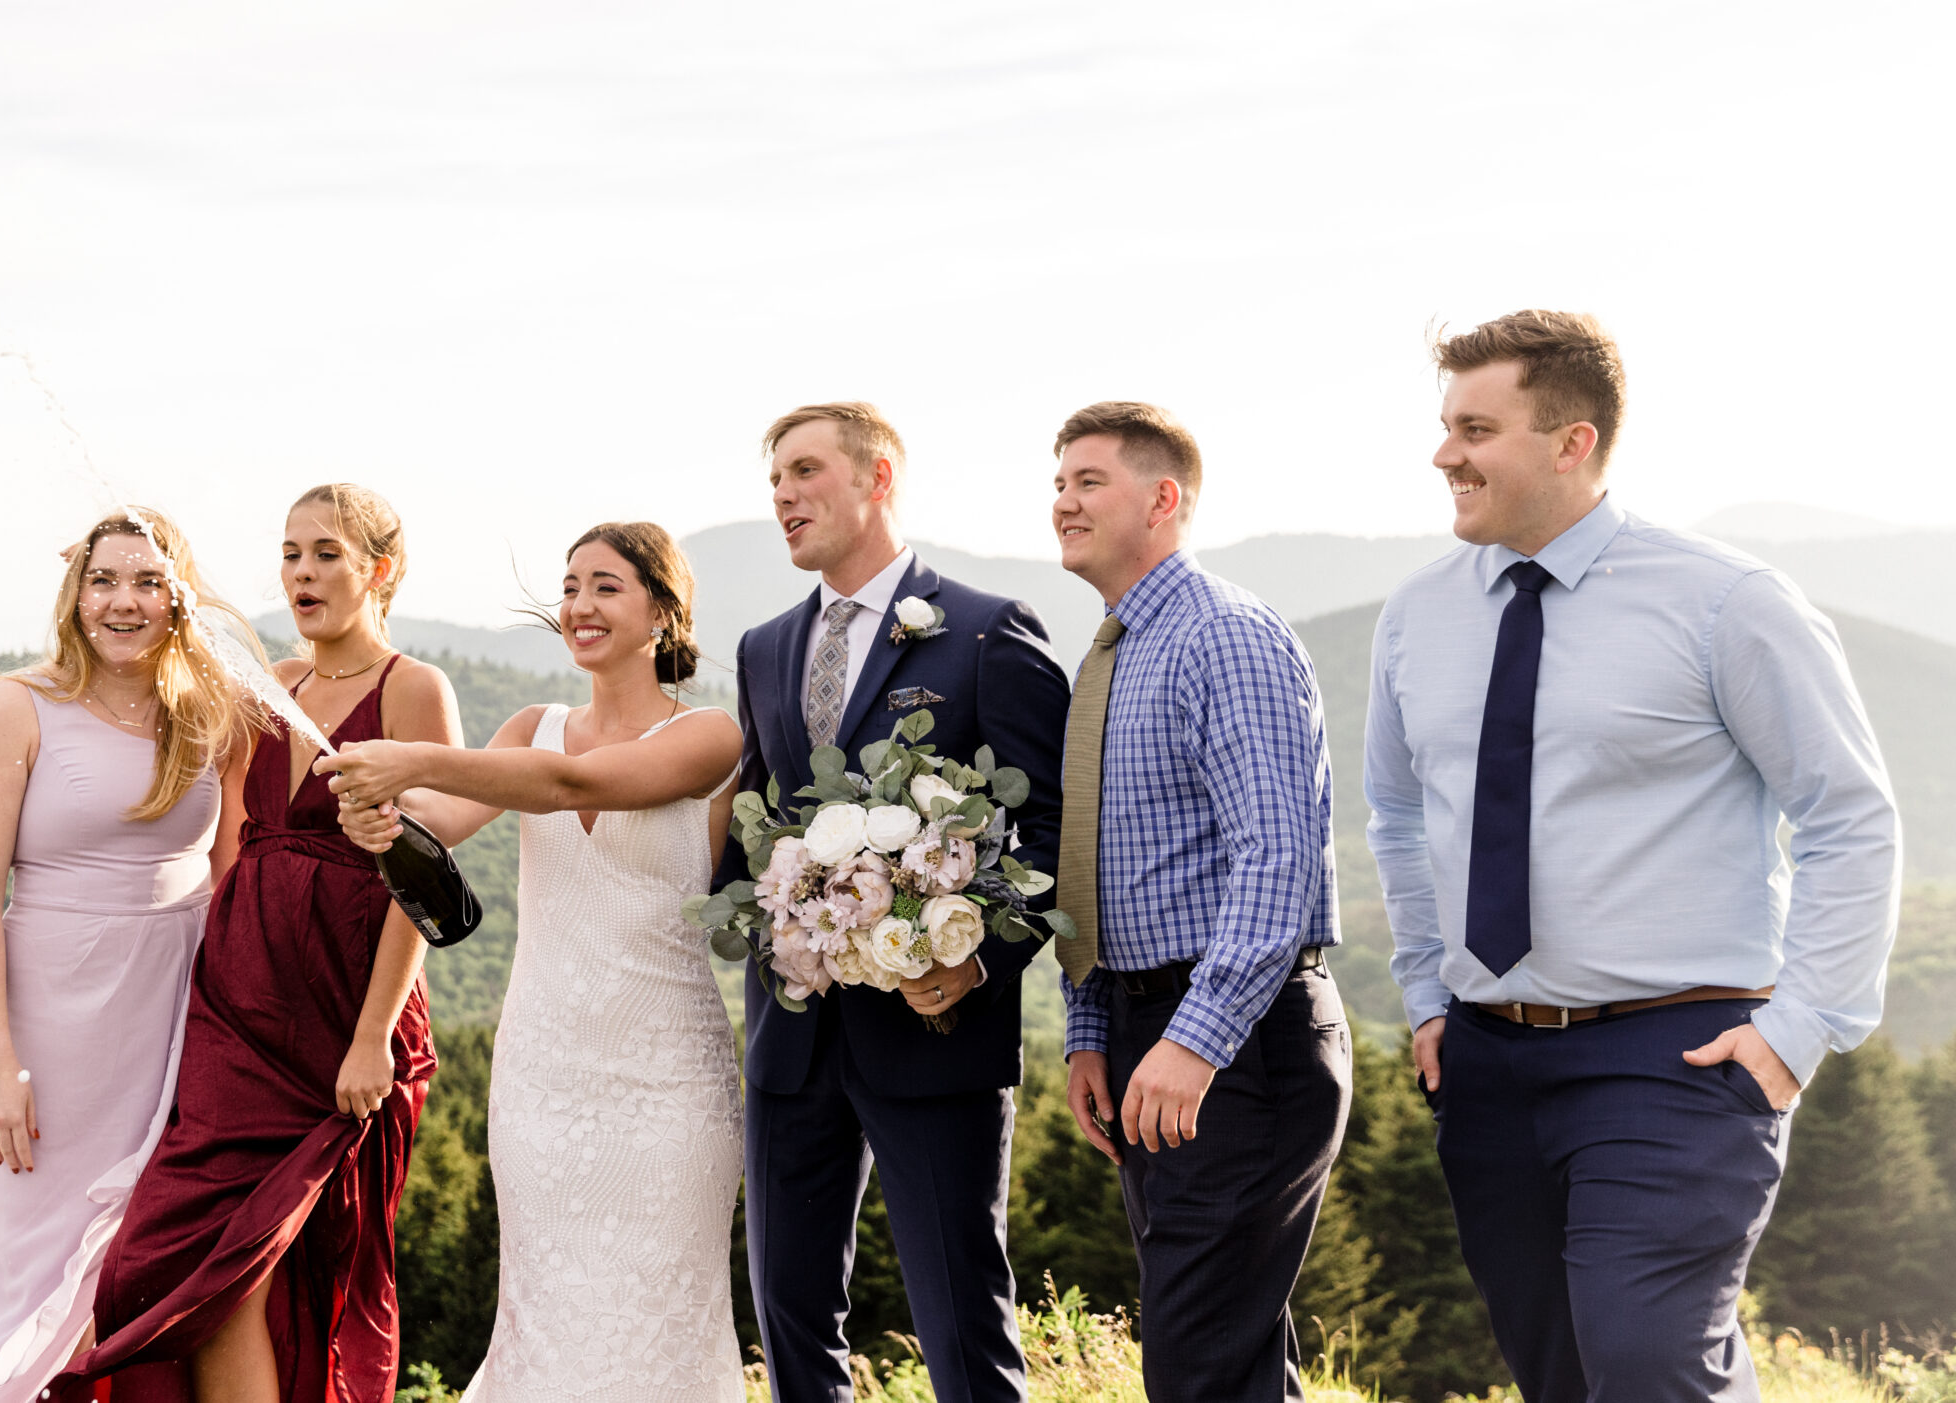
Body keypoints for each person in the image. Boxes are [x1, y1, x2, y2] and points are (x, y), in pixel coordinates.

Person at [1366, 311, 1901, 1401]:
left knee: (1647, 1362)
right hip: (1485, 1062)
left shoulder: (1725, 604)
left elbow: (1850, 814)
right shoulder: (1418, 614)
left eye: (1475, 427)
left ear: (1571, 442)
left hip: (1678, 1059)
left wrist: (1798, 1031)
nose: (1442, 455)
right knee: (1560, 1370)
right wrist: (1427, 995)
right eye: (1443, 426)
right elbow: (1395, 811)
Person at [317, 521, 748, 1403]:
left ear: (664, 611)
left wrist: (412, 758)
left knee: (662, 1310)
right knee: (544, 1306)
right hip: (543, 1070)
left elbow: (572, 785)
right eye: (571, 586)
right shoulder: (530, 724)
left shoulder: (709, 735)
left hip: (669, 1079)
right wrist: (380, 820)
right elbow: (433, 823)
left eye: (606, 586)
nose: (580, 606)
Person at [68, 483, 463, 1403]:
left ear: (380, 569)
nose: (302, 573)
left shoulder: (413, 687)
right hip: (236, 1008)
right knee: (173, 1255)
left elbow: (425, 874)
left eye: (326, 553)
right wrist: (134, 585)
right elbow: (234, 842)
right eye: (290, 554)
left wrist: (373, 1037)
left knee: (282, 1263)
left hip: (343, 1012)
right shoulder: (272, 687)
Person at [715, 402, 1070, 1403]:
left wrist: (974, 956)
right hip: (791, 1036)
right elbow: (759, 819)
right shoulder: (764, 647)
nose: (782, 494)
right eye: (773, 478)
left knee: (959, 1318)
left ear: (878, 479)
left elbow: (1047, 830)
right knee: (788, 1317)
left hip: (936, 1030)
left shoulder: (985, 630)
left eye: (804, 471)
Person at [0, 508, 252, 1403]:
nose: (123, 600)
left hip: (174, 1013)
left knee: (147, 1245)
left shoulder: (212, 706)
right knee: (20, 1244)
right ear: (73, 592)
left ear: (179, 598)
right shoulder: (17, 704)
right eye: (103, 580)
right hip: (55, 1019)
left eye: (148, 581)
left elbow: (237, 869)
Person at [1046, 402, 1349, 1402]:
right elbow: (1103, 859)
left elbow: (1278, 860)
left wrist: (1195, 1039)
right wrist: (1092, 1027)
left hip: (1237, 1047)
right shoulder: (1117, 649)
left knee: (1197, 1366)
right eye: (1058, 483)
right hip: (1151, 1035)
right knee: (1227, 1361)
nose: (1062, 502)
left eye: (1089, 481)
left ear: (1162, 498)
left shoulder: (1224, 636)